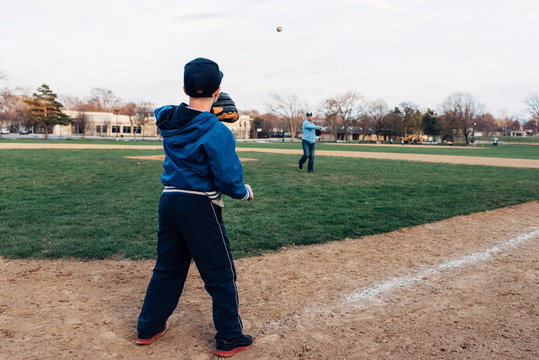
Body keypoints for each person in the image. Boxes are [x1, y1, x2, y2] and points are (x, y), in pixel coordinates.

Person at [136, 57, 254, 358]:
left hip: (169, 201)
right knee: (221, 273)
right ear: (217, 92)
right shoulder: (218, 132)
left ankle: (148, 328)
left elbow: (168, 110)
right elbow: (228, 180)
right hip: (200, 206)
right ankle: (229, 337)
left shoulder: (169, 120)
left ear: (185, 88)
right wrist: (244, 194)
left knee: (168, 269)